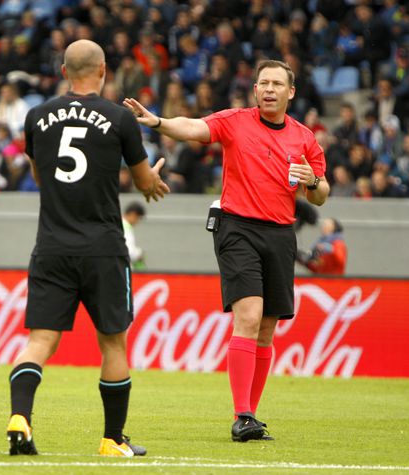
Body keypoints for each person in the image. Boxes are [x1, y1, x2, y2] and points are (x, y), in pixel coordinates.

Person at [124, 59, 329, 442]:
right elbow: (194, 127)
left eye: (276, 84)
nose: (268, 89)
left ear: (291, 92)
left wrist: (313, 180)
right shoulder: (236, 120)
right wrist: (157, 122)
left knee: (267, 327)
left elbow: (320, 196)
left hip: (282, 233)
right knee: (249, 316)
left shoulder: (304, 138)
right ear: (255, 90)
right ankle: (243, 414)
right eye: (262, 83)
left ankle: (250, 417)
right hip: (237, 227)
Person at [6, 39, 169, 458]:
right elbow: (142, 183)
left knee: (40, 341)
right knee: (112, 344)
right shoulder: (119, 118)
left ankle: (20, 416)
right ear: (103, 70)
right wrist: (152, 178)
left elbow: (42, 177)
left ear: (64, 71)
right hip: (103, 247)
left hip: (52, 245)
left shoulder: (37, 116)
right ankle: (113, 440)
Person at [122, 202, 146, 268]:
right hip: (123, 267)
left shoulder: (117, 223)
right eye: (138, 218)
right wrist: (139, 254)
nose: (138, 222)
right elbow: (129, 251)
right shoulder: (125, 227)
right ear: (133, 214)